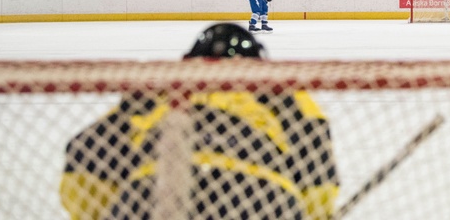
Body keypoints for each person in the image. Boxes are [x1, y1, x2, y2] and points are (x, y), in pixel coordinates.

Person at [59, 23, 339, 220]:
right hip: (264, 195)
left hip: (153, 190)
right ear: (257, 64)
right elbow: (319, 185)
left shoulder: (159, 91)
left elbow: (83, 175)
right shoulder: (279, 94)